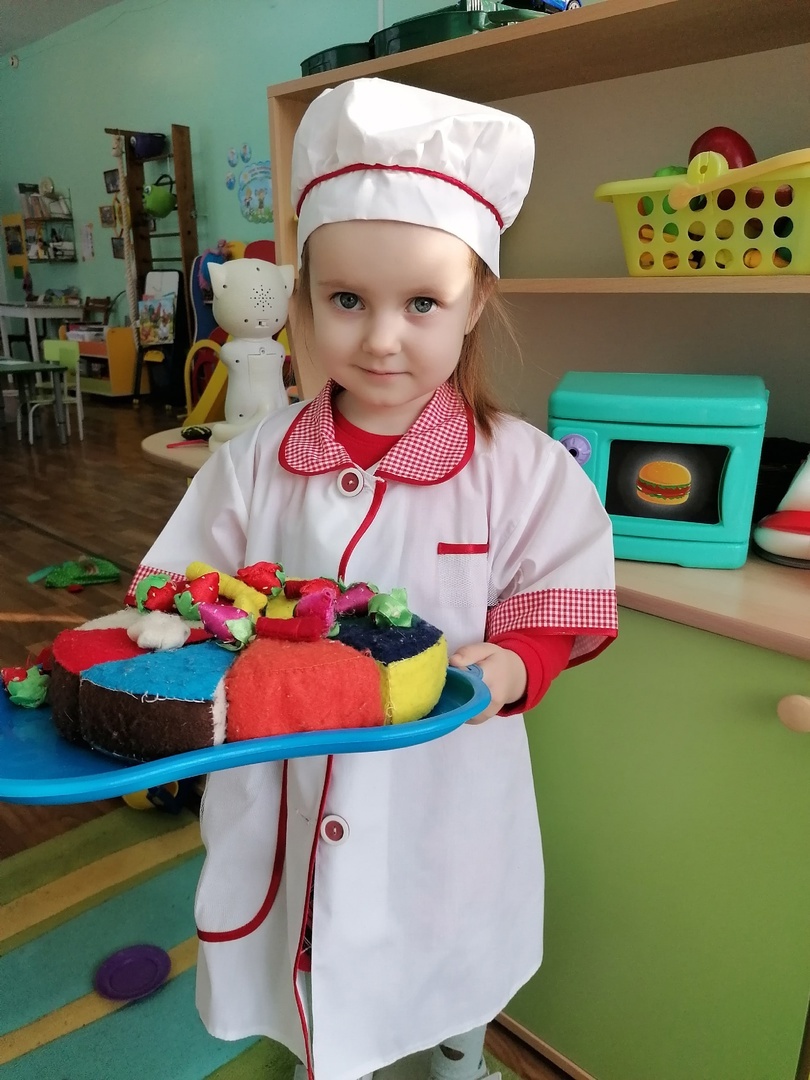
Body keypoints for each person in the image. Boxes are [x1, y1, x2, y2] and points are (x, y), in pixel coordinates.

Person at [136, 78, 617, 1080]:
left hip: (444, 781)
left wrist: (513, 667)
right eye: (347, 300)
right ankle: (324, 1058)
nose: (381, 336)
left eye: (422, 303)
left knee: (448, 944)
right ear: (305, 298)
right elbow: (185, 587)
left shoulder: (520, 469)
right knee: (308, 935)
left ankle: (459, 1062)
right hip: (284, 769)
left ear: (475, 302)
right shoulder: (255, 460)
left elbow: (555, 605)